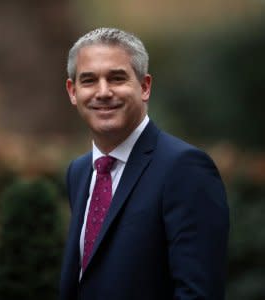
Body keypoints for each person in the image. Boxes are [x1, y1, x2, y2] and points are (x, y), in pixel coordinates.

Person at [59, 27, 229, 300]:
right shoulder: (79, 172)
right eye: (89, 80)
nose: (103, 92)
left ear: (145, 86)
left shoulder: (185, 168)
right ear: (73, 91)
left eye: (116, 78)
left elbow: (198, 293)